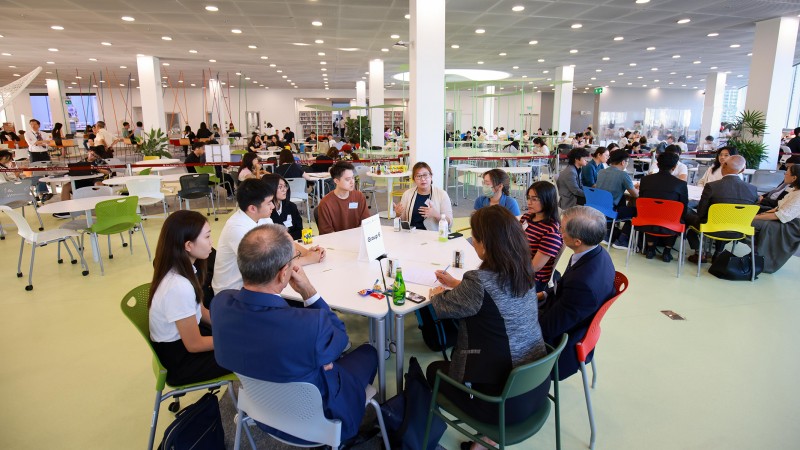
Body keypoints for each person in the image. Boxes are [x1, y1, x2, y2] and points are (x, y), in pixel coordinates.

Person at [211, 224, 377, 445]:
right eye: (293, 261)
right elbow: (341, 337)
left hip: (261, 411)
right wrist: (309, 291)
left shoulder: (220, 304)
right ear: (283, 274)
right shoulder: (310, 326)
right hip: (319, 422)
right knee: (369, 352)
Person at [428, 206, 549, 437]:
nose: (472, 242)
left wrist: (435, 294)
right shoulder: (523, 273)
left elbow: (441, 306)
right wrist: (458, 285)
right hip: (535, 390)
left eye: (475, 237)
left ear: (487, 243)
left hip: (500, 406)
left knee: (433, 370)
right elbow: (493, 297)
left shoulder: (478, 281)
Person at [148, 210, 231, 386]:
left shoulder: (186, 269)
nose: (211, 243)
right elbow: (194, 344)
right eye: (207, 237)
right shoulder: (178, 286)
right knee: (253, 351)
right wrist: (234, 340)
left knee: (248, 339)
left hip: (187, 344)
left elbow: (201, 311)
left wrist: (229, 328)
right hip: (182, 362)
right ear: (188, 245)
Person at [537, 206, 616, 380]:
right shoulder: (597, 253)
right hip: (569, 315)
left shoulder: (583, 283)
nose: (559, 231)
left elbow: (548, 329)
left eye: (562, 229)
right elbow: (564, 286)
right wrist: (544, 295)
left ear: (577, 241)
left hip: (558, 344)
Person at [212, 179, 325, 294]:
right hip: (233, 292)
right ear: (252, 208)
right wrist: (309, 259)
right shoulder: (238, 229)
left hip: (256, 284)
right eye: (269, 202)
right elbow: (269, 266)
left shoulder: (262, 217)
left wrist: (308, 252)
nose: (273, 206)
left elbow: (284, 240)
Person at [686, 155, 758, 263]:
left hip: (712, 227)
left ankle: (699, 252)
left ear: (723, 165)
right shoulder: (752, 189)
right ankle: (718, 253)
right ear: (743, 170)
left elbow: (701, 213)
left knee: (687, 213)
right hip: (738, 230)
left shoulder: (712, 186)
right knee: (727, 221)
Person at [637, 152, 689, 262]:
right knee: (678, 217)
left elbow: (641, 201)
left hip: (646, 219)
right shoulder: (680, 184)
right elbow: (683, 207)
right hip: (670, 222)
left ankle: (650, 249)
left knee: (651, 212)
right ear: (674, 167)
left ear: (657, 164)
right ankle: (667, 251)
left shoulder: (645, 180)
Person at [753, 164, 800, 273]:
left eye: (786, 173)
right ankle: (757, 252)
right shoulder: (793, 191)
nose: (784, 175)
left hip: (791, 225)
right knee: (754, 213)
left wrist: (756, 217)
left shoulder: (798, 196)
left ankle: (761, 257)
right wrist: (761, 214)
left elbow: (781, 215)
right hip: (782, 217)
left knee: (751, 222)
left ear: (794, 178)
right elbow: (778, 208)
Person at [520, 182, 563, 292]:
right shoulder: (526, 218)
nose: (529, 202)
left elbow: (534, 268)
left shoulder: (551, 231)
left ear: (547, 200)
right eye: (528, 198)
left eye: (534, 199)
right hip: (517, 266)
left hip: (532, 279)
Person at [595, 149, 638, 249]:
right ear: (623, 162)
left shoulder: (601, 172)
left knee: (623, 200)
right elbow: (635, 195)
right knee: (636, 211)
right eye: (627, 162)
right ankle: (622, 240)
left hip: (599, 208)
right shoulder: (623, 175)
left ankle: (608, 233)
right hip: (612, 211)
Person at [393, 162, 453, 231]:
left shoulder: (442, 194)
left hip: (434, 237)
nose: (423, 179)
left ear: (431, 176)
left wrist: (436, 215)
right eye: (418, 176)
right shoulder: (407, 194)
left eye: (425, 175)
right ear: (414, 179)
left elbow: (450, 222)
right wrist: (398, 214)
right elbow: (403, 221)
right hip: (412, 234)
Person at [316, 161, 370, 235]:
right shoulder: (326, 203)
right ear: (336, 181)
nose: (352, 182)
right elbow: (327, 233)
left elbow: (366, 222)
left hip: (357, 239)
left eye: (353, 178)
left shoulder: (359, 196)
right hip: (335, 242)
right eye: (348, 179)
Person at [263, 173, 304, 240]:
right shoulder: (266, 211)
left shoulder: (291, 206)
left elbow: (300, 230)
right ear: (270, 189)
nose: (284, 190)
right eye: (280, 187)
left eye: (285, 186)